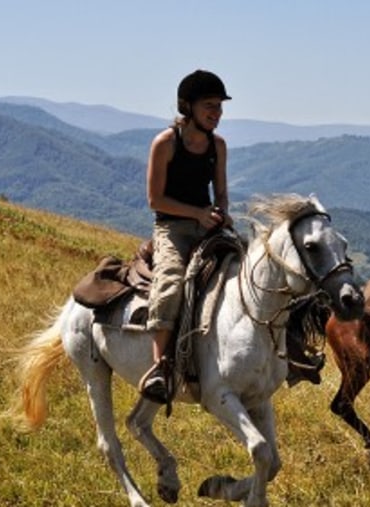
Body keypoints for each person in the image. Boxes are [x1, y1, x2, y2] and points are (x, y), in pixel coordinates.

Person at [138, 69, 233, 403]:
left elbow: (220, 192)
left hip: (209, 223)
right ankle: (159, 367)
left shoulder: (217, 145)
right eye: (210, 106)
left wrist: (221, 213)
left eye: (219, 107)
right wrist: (196, 214)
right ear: (187, 106)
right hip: (172, 228)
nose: (216, 114)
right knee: (171, 282)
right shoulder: (165, 143)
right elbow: (155, 200)